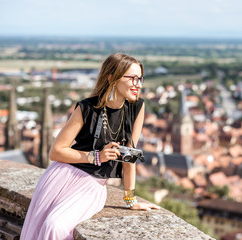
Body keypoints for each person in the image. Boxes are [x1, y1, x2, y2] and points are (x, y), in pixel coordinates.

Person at [20, 53, 160, 240]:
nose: (138, 84)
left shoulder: (137, 107)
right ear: (112, 78)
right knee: (48, 227)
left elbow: (129, 156)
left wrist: (130, 200)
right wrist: (96, 157)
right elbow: (56, 151)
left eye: (140, 78)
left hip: (92, 185)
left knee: (54, 226)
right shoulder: (87, 108)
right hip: (61, 177)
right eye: (132, 78)